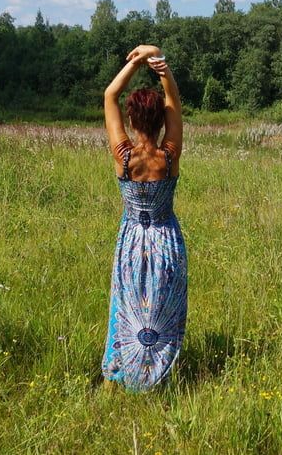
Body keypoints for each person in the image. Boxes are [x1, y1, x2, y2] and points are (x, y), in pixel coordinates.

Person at [101, 44, 187, 392]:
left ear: (133, 121)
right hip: (166, 239)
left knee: (126, 306)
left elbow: (110, 95)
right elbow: (175, 105)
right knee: (163, 308)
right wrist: (160, 65)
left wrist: (137, 60)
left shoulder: (123, 157)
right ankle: (159, 379)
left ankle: (117, 378)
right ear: (160, 120)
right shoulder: (169, 156)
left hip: (132, 240)